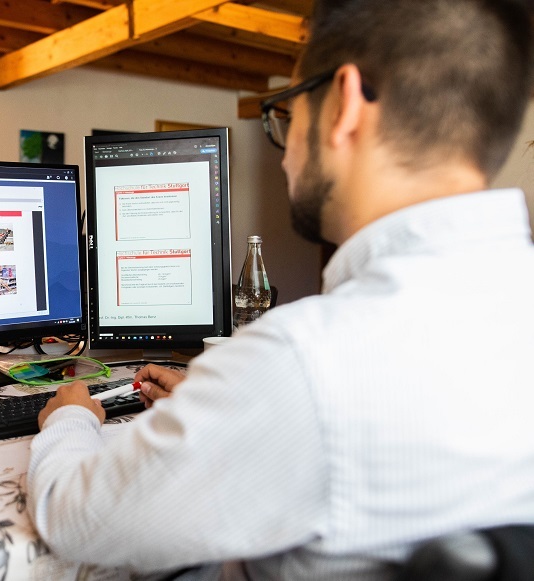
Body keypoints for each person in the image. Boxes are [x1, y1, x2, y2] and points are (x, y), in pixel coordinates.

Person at [27, 0, 534, 579]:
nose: (287, 151)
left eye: (285, 115)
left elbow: (75, 518)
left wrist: (71, 417)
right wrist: (225, 405)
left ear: (343, 106)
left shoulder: (306, 360)